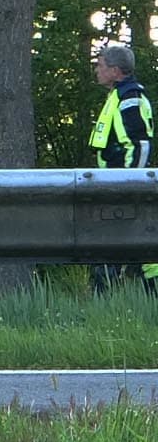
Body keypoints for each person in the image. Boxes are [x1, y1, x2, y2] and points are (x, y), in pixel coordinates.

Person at [87, 43, 155, 292]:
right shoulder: (119, 95)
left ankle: (111, 294)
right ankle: (108, 295)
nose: (97, 69)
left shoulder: (129, 98)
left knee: (127, 242)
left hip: (123, 185)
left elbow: (138, 145)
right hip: (116, 183)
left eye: (101, 65)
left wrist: (128, 183)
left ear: (115, 70)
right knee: (127, 242)